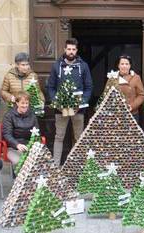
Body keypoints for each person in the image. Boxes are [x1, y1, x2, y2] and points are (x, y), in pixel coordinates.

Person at [46, 38, 93, 166]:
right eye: (69, 49)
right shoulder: (56, 66)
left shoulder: (83, 66)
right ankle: (55, 166)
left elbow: (88, 87)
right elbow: (50, 87)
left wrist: (82, 102)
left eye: (73, 49)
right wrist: (56, 102)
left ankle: (77, 167)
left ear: (76, 50)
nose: (71, 52)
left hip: (78, 109)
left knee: (78, 138)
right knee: (59, 137)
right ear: (64, 49)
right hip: (60, 109)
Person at [2, 91, 39, 167]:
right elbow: (7, 134)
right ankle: (17, 179)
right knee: (18, 161)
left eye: (26, 103)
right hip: (13, 147)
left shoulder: (32, 115)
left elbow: (37, 132)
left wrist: (33, 145)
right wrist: (17, 144)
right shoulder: (9, 115)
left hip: (29, 146)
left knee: (39, 160)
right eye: (22, 103)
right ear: (17, 103)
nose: (25, 105)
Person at [108, 54, 144, 123]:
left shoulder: (136, 77)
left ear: (130, 66)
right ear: (118, 65)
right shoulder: (112, 78)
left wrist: (132, 106)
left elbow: (141, 95)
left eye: (127, 64)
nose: (124, 66)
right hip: (116, 114)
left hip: (132, 113)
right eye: (122, 64)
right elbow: (107, 95)